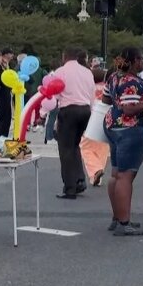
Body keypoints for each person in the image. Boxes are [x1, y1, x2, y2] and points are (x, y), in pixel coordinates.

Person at [103, 47, 143, 236]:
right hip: (130, 128)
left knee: (116, 173)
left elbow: (105, 98)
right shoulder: (132, 82)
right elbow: (129, 109)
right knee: (126, 176)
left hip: (112, 126)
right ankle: (124, 222)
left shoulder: (114, 77)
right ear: (135, 61)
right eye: (142, 58)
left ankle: (117, 217)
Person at [46, 48, 96, 200]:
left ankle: (70, 188)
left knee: (66, 149)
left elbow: (55, 95)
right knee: (75, 145)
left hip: (69, 110)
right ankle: (79, 179)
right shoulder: (87, 72)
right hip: (85, 110)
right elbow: (92, 93)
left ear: (64, 56)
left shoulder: (60, 72)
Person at [80, 66, 110, 187]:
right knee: (103, 149)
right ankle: (97, 175)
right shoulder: (108, 88)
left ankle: (95, 170)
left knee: (85, 147)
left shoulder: (89, 88)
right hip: (107, 121)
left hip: (92, 121)